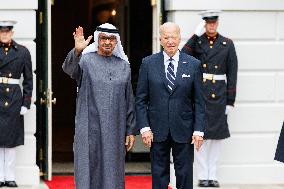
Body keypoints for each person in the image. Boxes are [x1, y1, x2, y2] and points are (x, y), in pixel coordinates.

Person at [62, 23, 136, 189]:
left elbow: (129, 99)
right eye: (104, 38)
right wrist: (77, 51)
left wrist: (130, 130)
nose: (108, 42)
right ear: (97, 40)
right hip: (90, 128)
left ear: (116, 42)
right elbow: (69, 69)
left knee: (113, 171)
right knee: (89, 168)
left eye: (111, 39)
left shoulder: (124, 66)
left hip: (115, 130)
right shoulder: (86, 61)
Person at [136, 22, 205, 189]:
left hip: (185, 130)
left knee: (184, 174)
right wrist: (144, 128)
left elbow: (199, 102)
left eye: (173, 37)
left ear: (179, 38)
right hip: (156, 131)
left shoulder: (194, 64)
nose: (170, 41)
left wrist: (198, 130)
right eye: (166, 37)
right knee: (159, 174)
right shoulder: (148, 63)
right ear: (160, 39)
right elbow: (140, 99)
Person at [181, 10, 238, 187]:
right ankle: (202, 175)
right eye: (208, 23)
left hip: (219, 95)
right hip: (200, 93)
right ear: (204, 24)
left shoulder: (227, 44)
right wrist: (194, 35)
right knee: (200, 136)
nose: (211, 26)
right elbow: (183, 55)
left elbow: (233, 73)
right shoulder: (198, 42)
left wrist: (230, 100)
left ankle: (212, 175)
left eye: (214, 23)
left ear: (217, 24)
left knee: (216, 137)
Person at [0, 20, 33, 188]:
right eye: (2, 32)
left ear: (12, 33)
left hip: (13, 99)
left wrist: (26, 103)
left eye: (7, 32)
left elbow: (28, 80)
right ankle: (0, 176)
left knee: (11, 140)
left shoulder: (22, 52)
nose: (4, 34)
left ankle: (10, 176)